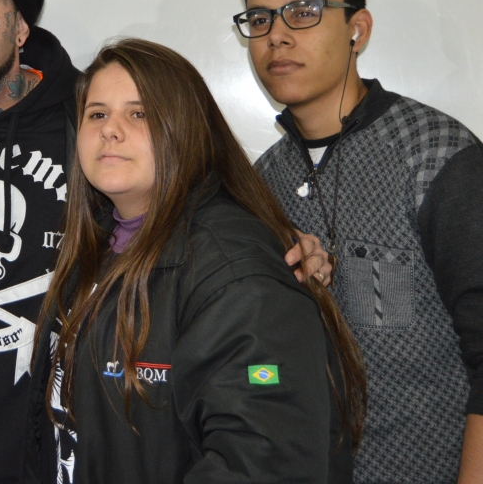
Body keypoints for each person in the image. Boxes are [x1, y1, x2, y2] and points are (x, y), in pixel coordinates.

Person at [0, 0, 333, 484]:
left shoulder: (84, 115)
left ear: (19, 27)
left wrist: (271, 245)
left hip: (53, 460)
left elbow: (184, 190)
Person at [23, 38, 365, 484]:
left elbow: (262, 463)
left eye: (139, 114)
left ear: (185, 129)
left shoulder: (234, 272)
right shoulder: (94, 248)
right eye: (98, 114)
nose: (110, 130)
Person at [230, 0, 483, 483]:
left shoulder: (435, 153)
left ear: (357, 28)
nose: (277, 36)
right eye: (260, 18)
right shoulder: (259, 185)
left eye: (303, 12)